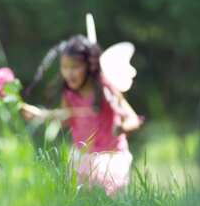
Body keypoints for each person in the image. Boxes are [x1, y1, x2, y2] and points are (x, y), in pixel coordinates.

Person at [21, 35, 143, 197]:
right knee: (84, 204)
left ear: (89, 66)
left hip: (111, 157)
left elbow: (132, 119)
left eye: (75, 67)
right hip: (84, 158)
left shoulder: (106, 88)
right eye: (65, 67)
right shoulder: (70, 94)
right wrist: (40, 115)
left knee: (112, 202)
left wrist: (122, 127)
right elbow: (66, 118)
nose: (69, 73)